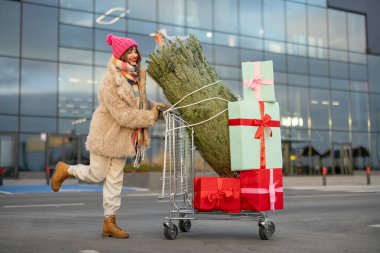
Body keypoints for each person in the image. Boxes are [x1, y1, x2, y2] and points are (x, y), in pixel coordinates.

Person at [51, 34, 163, 239]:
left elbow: (141, 103)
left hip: (124, 139)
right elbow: (122, 115)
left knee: (115, 180)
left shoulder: (138, 77)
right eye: (130, 51)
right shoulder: (110, 82)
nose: (134, 55)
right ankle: (65, 169)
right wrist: (150, 116)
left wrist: (159, 108)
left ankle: (109, 222)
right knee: (97, 174)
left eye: (136, 50)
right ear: (120, 54)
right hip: (106, 134)